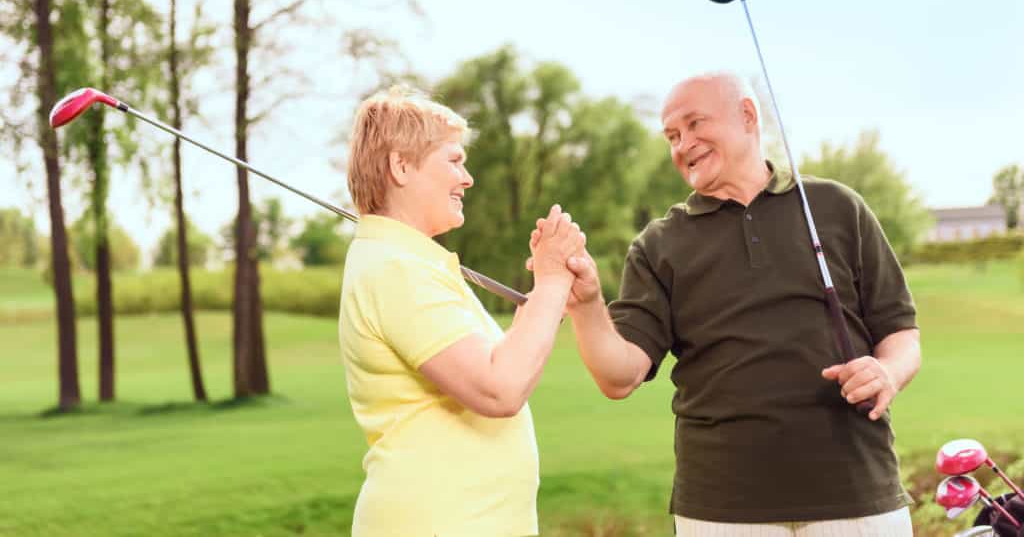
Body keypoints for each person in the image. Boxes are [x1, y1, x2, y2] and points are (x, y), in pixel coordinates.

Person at [535, 72, 921, 536]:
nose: (684, 144)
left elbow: (902, 335)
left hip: (858, 498)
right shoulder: (658, 245)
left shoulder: (837, 206)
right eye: (673, 136)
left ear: (747, 115)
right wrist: (587, 304)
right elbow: (619, 377)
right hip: (720, 511)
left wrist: (888, 372)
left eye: (696, 124)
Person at [338, 85, 584, 537]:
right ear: (400, 165)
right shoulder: (397, 269)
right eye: (454, 160)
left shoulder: (409, 263)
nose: (467, 177)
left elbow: (498, 363)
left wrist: (547, 305)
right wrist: (549, 282)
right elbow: (500, 389)